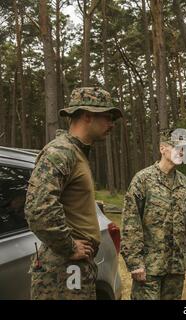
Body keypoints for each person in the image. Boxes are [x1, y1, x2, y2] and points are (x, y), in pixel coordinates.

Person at [25, 87, 123, 299]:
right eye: (107, 117)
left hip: (73, 265)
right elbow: (38, 208)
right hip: (63, 266)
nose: (111, 124)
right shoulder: (61, 152)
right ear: (87, 115)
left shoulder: (76, 153)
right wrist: (68, 246)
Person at [121, 128, 186, 300]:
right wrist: (135, 262)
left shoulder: (184, 183)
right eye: (177, 147)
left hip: (175, 267)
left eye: (184, 148)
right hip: (149, 268)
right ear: (163, 149)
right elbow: (131, 224)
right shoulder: (143, 180)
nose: (181, 152)